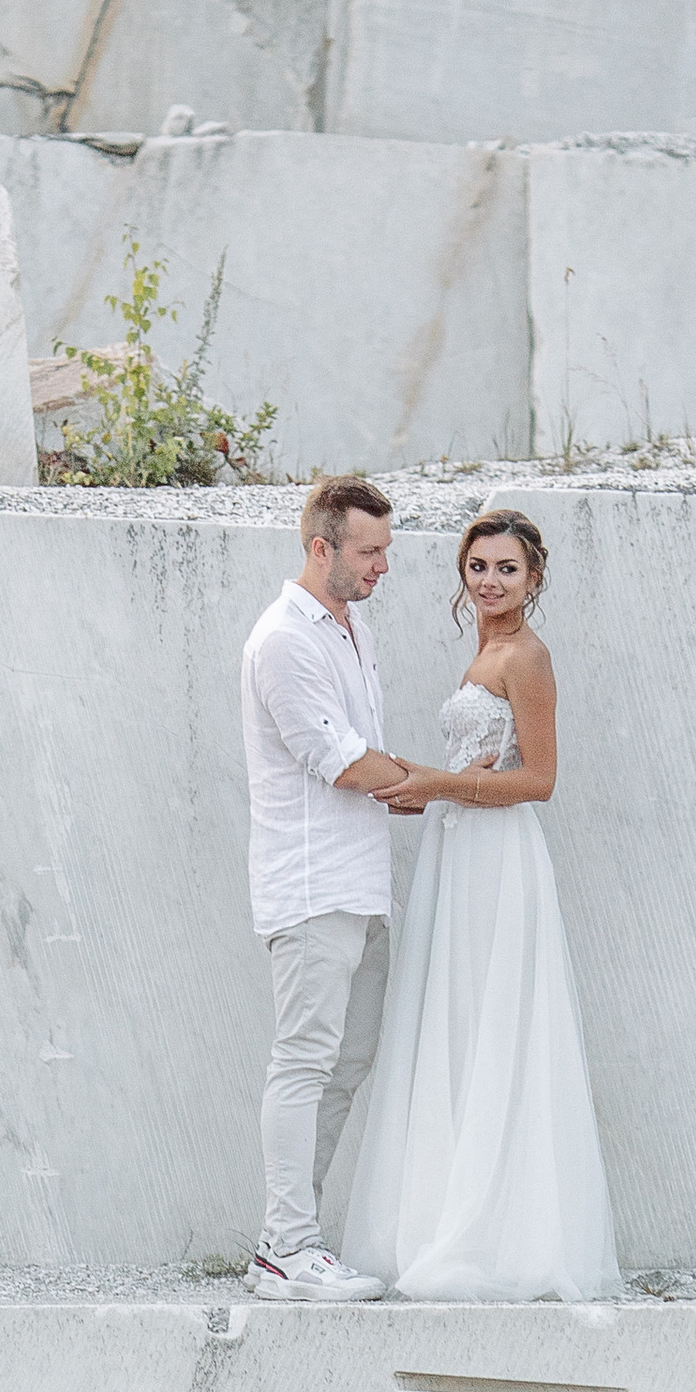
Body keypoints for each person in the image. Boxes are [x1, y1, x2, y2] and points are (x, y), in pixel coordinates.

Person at [343, 509, 622, 1305]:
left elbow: (540, 781)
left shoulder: (527, 658)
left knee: (496, 1023)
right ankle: (448, 1215)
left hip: (499, 859)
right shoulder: (485, 652)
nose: (491, 581)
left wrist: (437, 783)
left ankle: (500, 1232)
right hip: (457, 849)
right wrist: (417, 792)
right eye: (478, 567)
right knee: (454, 1023)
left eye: (506, 568)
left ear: (534, 578)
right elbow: (479, 761)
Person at [237, 475, 425, 1302]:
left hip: (360, 884)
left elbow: (365, 752)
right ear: (322, 549)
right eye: (370, 551)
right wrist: (450, 786)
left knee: (346, 1065)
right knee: (305, 1061)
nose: (383, 566)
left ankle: (293, 1245)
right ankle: (287, 1245)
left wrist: (424, 786)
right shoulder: (284, 640)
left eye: (386, 550)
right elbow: (343, 760)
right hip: (310, 887)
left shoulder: (353, 627)